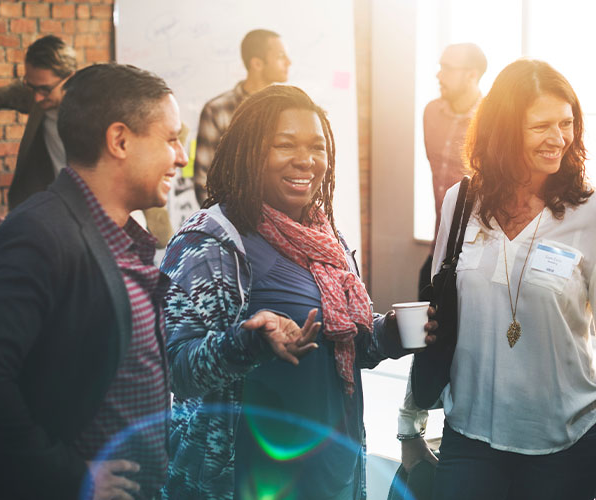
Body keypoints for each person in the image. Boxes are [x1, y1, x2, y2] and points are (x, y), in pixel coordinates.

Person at [0, 64, 186, 500]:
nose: (181, 156)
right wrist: (65, 475)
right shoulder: (42, 231)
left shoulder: (119, 235)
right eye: (172, 138)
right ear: (119, 140)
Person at [161, 85, 433, 500]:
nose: (306, 161)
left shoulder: (326, 240)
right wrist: (249, 342)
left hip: (331, 467)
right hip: (249, 476)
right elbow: (179, 369)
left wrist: (389, 334)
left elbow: (343, 344)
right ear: (249, 152)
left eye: (317, 147)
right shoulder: (212, 241)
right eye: (284, 145)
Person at [423, 59, 596, 500]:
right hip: (469, 435)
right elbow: (433, 316)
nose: (558, 139)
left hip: (564, 444)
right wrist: (411, 421)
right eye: (541, 126)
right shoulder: (460, 203)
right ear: (504, 129)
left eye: (566, 123)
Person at [0, 35, 76, 210]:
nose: (36, 97)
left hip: (79, 208)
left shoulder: (91, 111)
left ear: (70, 78)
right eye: (31, 86)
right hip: (40, 204)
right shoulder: (38, 94)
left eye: (45, 89)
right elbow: (10, 93)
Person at [192, 29, 291, 205]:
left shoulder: (290, 112)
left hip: (283, 222)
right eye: (280, 56)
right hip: (232, 223)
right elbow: (203, 180)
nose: (289, 62)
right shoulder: (217, 110)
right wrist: (227, 225)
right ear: (257, 63)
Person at [417, 42, 486, 296]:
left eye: (447, 68)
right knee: (423, 330)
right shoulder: (431, 112)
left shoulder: (490, 121)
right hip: (438, 246)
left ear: (472, 74)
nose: (438, 74)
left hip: (474, 253)